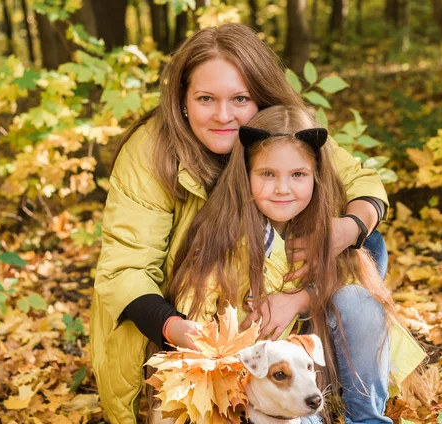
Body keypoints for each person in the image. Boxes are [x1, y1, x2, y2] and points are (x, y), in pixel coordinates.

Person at [90, 23, 392, 424]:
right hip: (185, 314)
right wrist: (192, 336)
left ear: (261, 98)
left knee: (373, 246)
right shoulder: (151, 152)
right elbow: (124, 270)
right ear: (182, 99)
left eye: (240, 98)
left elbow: (362, 184)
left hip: (283, 300)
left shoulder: (282, 129)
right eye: (205, 98)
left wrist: (347, 228)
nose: (223, 115)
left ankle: (344, 403)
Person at [166, 106, 425, 424]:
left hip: (316, 375)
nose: (283, 188)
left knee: (358, 299)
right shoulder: (224, 238)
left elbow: (345, 278)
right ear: (245, 174)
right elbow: (198, 318)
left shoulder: (325, 229)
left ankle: (367, 418)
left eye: (298, 175)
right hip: (259, 391)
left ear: (316, 175)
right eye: (267, 174)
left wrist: (300, 299)